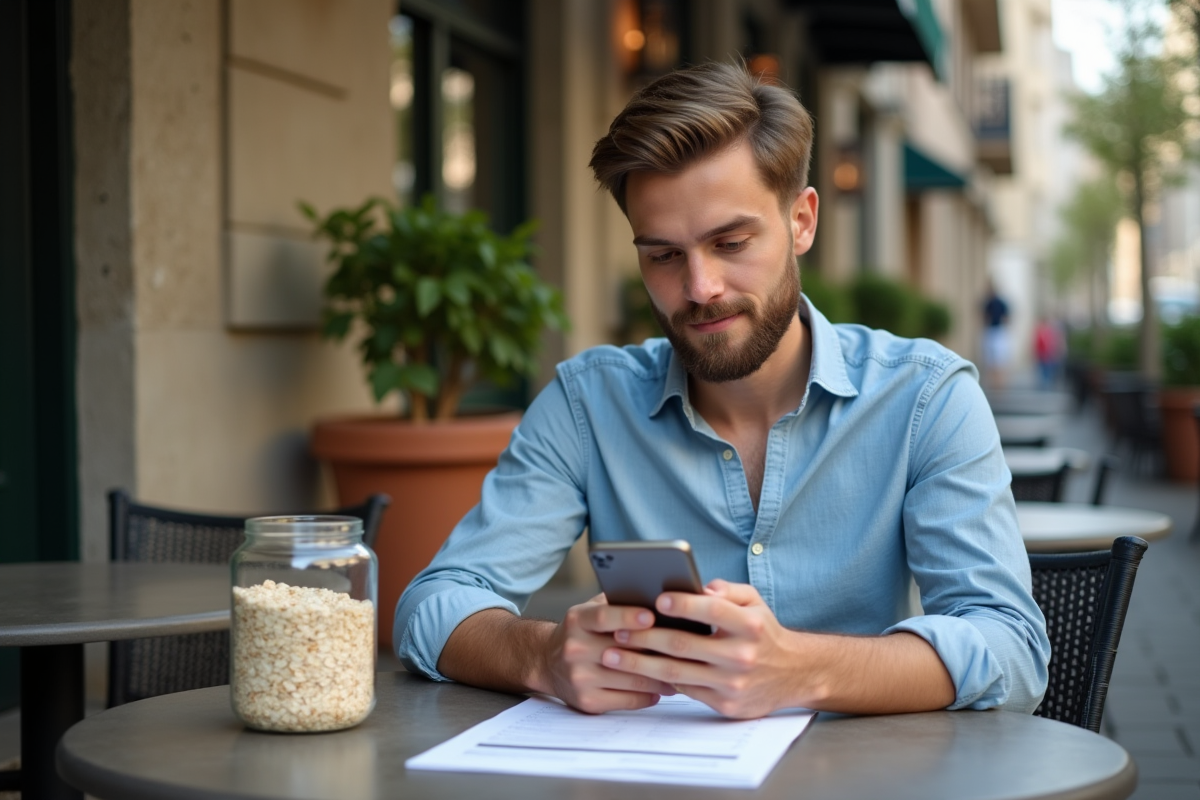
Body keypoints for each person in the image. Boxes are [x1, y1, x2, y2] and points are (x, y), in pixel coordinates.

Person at [395, 62, 1049, 719]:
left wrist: (802, 670)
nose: (700, 287)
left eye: (730, 242)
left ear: (801, 221)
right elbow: (431, 606)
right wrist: (542, 656)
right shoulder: (587, 405)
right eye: (663, 255)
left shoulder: (925, 398)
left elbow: (1011, 648)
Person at [981, 283, 1012, 390]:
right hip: (992, 330)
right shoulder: (989, 303)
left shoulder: (998, 303)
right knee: (992, 359)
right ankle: (994, 382)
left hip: (997, 330)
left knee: (998, 358)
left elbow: (1006, 317)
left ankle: (999, 382)